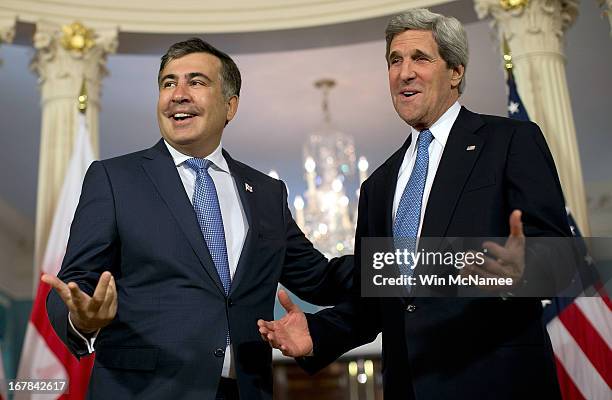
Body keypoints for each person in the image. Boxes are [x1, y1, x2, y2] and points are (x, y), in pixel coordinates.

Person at [258, 9, 574, 400]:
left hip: (497, 382)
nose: (404, 72)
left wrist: (524, 269)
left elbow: (561, 260)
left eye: (420, 58)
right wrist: (317, 334)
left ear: (455, 71)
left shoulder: (510, 141)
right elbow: (376, 301)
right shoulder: (379, 185)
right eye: (394, 60)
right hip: (408, 387)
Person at [43, 38, 353, 400]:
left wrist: (398, 262)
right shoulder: (114, 179)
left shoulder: (268, 193)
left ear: (229, 106)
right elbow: (76, 282)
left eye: (196, 82)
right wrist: (83, 318)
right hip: (143, 391)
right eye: (168, 83)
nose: (178, 94)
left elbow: (322, 279)